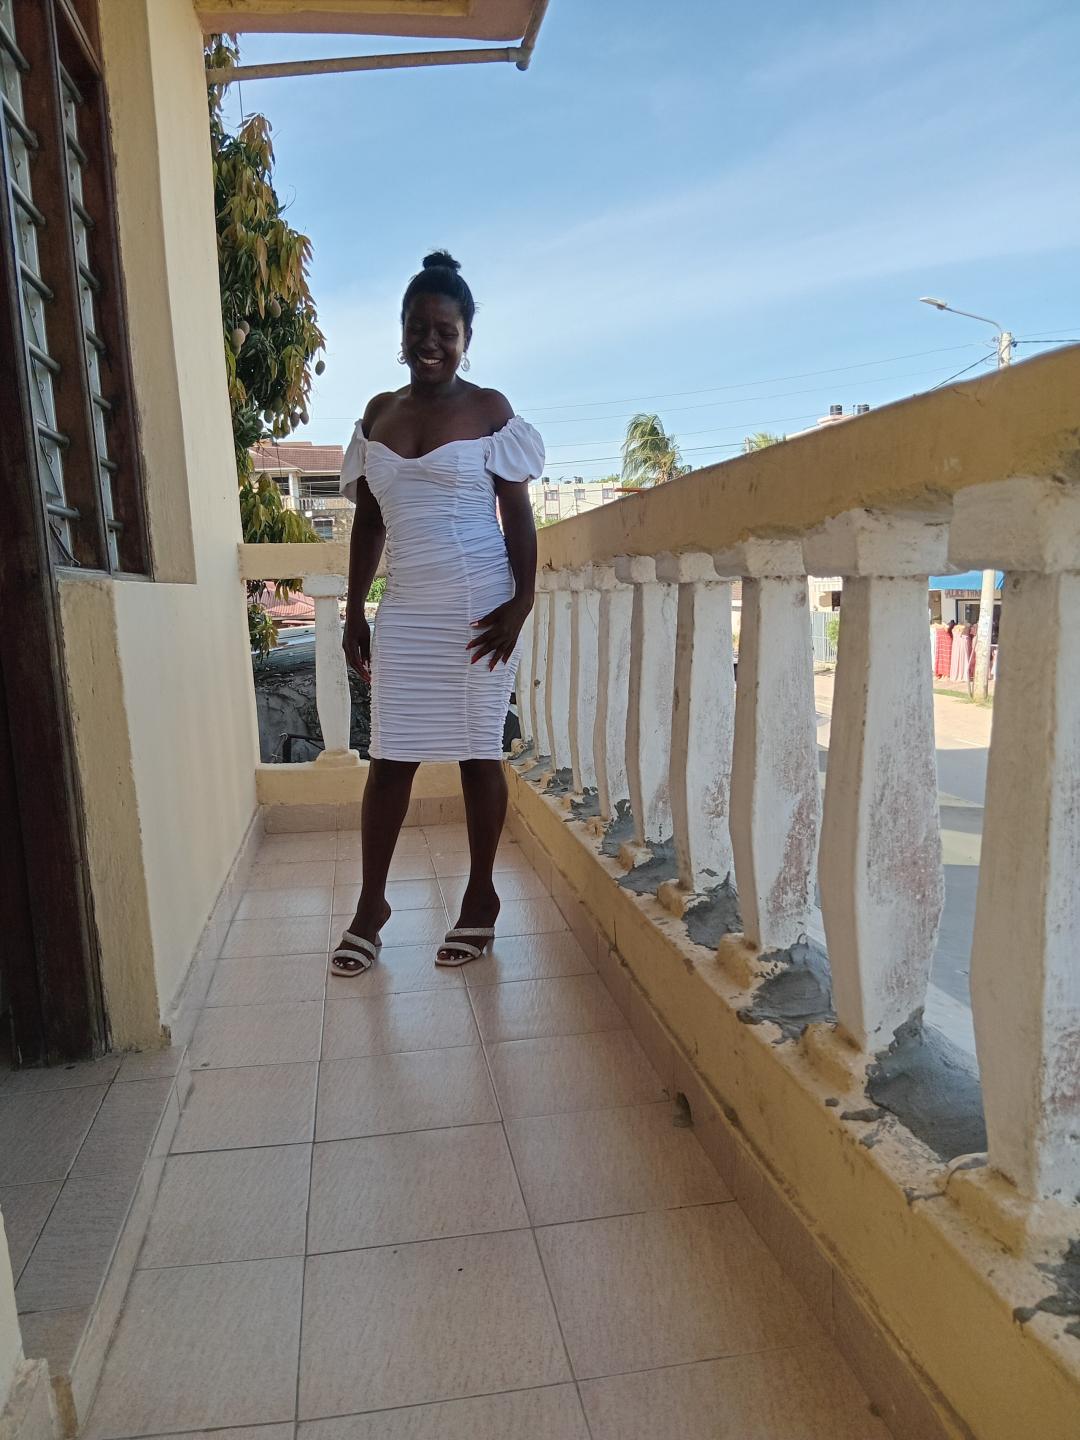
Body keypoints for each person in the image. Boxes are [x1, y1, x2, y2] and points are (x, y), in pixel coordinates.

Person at [333, 252, 543, 973]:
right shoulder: (377, 414)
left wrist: (522, 600)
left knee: (480, 753)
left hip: (481, 608)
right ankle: (371, 906)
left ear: (465, 338)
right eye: (418, 328)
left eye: (445, 331)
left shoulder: (489, 409)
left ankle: (481, 897)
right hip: (407, 609)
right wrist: (354, 611)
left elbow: (518, 516)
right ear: (401, 331)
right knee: (389, 758)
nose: (431, 342)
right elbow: (369, 523)